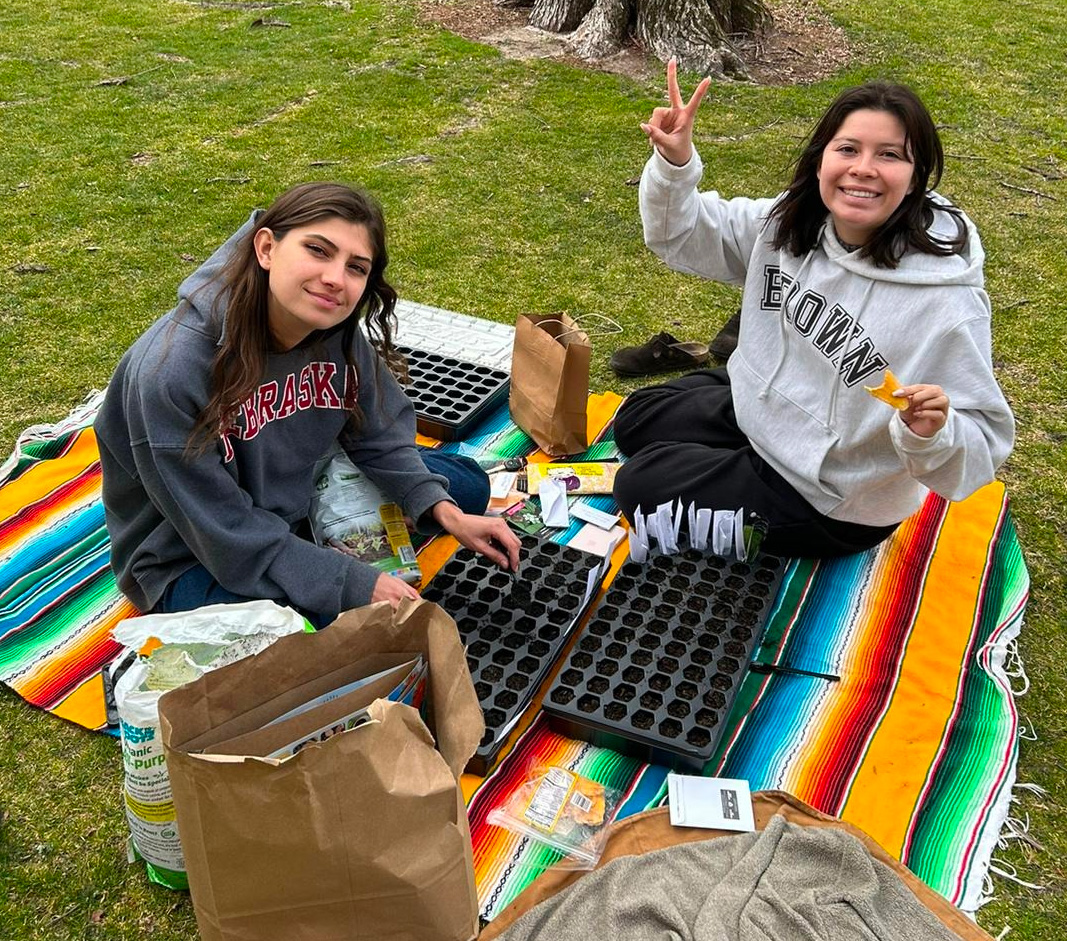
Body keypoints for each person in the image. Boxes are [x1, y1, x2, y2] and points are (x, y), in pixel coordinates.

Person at [612, 63, 1014, 558]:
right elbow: (685, 234)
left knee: (637, 486)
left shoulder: (944, 301)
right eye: (848, 149)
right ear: (821, 158)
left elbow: (981, 445)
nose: (863, 168)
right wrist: (675, 166)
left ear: (914, 179)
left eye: (889, 155)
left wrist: (933, 432)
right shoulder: (794, 222)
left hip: (830, 499)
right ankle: (722, 460)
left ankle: (722, 475)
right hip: (762, 414)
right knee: (635, 419)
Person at [96, 182, 520, 626]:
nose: (336, 278)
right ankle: (317, 557)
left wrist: (443, 510)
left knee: (466, 490)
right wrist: (349, 581)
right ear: (266, 248)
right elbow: (224, 530)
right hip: (190, 549)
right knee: (303, 630)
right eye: (318, 250)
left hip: (300, 496)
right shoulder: (170, 372)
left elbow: (377, 435)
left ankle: (327, 543)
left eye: (356, 267)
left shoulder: (330, 327)